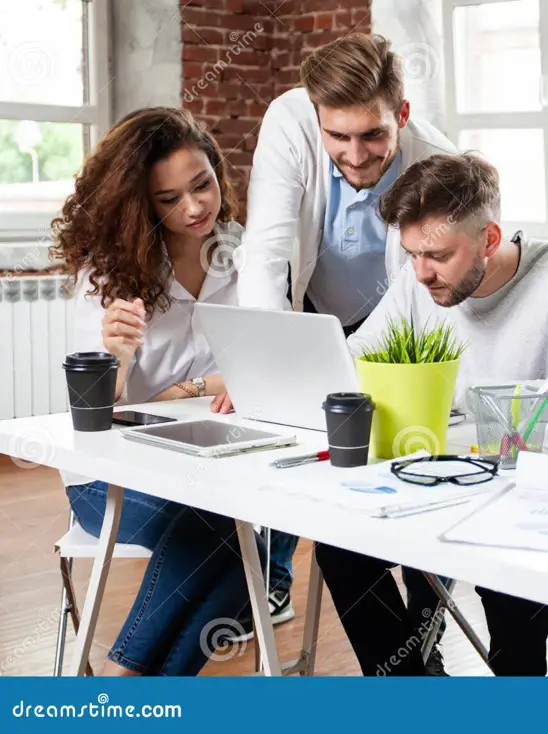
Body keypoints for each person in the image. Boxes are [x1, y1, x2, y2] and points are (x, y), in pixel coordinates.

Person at [315, 151, 548, 676]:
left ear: (490, 239)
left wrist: (450, 395)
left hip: (525, 491)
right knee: (339, 551)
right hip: (435, 478)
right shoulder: (418, 280)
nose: (421, 273)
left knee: (507, 586)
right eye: (410, 254)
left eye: (437, 255)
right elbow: (355, 357)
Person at [228, 33, 459, 651]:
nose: (355, 155)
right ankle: (399, 664)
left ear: (401, 117)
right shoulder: (290, 122)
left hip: (400, 332)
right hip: (310, 315)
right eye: (339, 137)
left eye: (373, 136)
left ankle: (423, 644)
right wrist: (267, 374)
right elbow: (268, 252)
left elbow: (432, 288)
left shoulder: (437, 160)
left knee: (415, 473)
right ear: (315, 116)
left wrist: (371, 364)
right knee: (328, 499)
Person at [50, 107, 264, 676]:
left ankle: (132, 692)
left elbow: (266, 364)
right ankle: (133, 681)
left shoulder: (246, 257)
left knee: (248, 530)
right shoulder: (110, 273)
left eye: (202, 185)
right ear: (141, 204)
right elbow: (94, 415)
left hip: (207, 454)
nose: (194, 208)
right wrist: (116, 360)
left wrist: (191, 388)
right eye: (169, 199)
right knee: (233, 537)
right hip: (109, 474)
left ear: (219, 172)